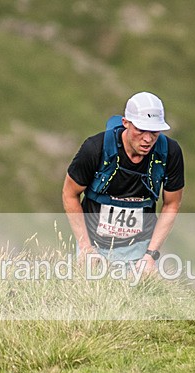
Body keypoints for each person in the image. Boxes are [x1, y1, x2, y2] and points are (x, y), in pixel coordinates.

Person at [62, 91, 184, 273]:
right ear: (125, 123)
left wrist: (151, 255)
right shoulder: (95, 148)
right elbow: (69, 193)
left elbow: (172, 204)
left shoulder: (170, 152)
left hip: (140, 250)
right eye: (141, 130)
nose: (148, 139)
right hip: (93, 245)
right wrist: (86, 248)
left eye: (154, 132)